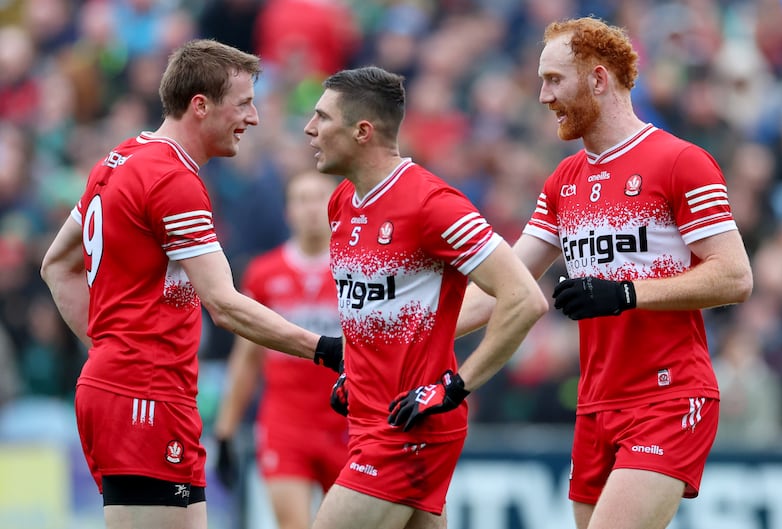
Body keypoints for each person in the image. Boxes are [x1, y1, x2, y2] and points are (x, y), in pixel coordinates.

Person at [456, 17, 753, 529]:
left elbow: (735, 277)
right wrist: (396, 345)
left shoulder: (680, 161)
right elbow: (504, 288)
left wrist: (625, 293)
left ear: (598, 79)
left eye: (554, 80)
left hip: (668, 395)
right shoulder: (564, 179)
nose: (543, 96)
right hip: (596, 402)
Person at [39, 39, 343, 529]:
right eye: (244, 103)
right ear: (200, 106)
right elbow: (223, 304)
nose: (255, 117)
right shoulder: (171, 178)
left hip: (135, 390)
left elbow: (57, 265)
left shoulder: (121, 158)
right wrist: (328, 349)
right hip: (145, 395)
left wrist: (107, 350)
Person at [302, 65, 549, 529]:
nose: (309, 128)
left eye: (322, 117)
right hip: (372, 422)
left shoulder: (431, 204)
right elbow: (398, 313)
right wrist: (359, 368)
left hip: (407, 431)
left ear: (362, 131)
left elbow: (523, 298)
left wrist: (455, 387)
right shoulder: (341, 202)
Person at [213, 169, 348, 529]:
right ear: (288, 211)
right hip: (286, 424)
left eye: (319, 197)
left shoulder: (356, 271)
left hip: (348, 423)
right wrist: (225, 430)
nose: (310, 208)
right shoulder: (263, 273)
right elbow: (247, 358)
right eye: (301, 200)